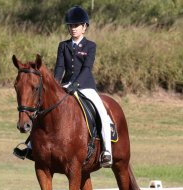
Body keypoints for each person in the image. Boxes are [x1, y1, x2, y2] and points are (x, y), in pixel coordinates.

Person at [14, 5, 112, 168]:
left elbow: (87, 68)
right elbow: (59, 68)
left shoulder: (90, 46)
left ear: (84, 27)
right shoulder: (63, 45)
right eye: (70, 26)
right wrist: (56, 84)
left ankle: (107, 151)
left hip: (86, 86)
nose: (73, 29)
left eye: (76, 26)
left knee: (102, 112)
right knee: (42, 108)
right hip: (65, 85)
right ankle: (31, 146)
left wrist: (76, 84)